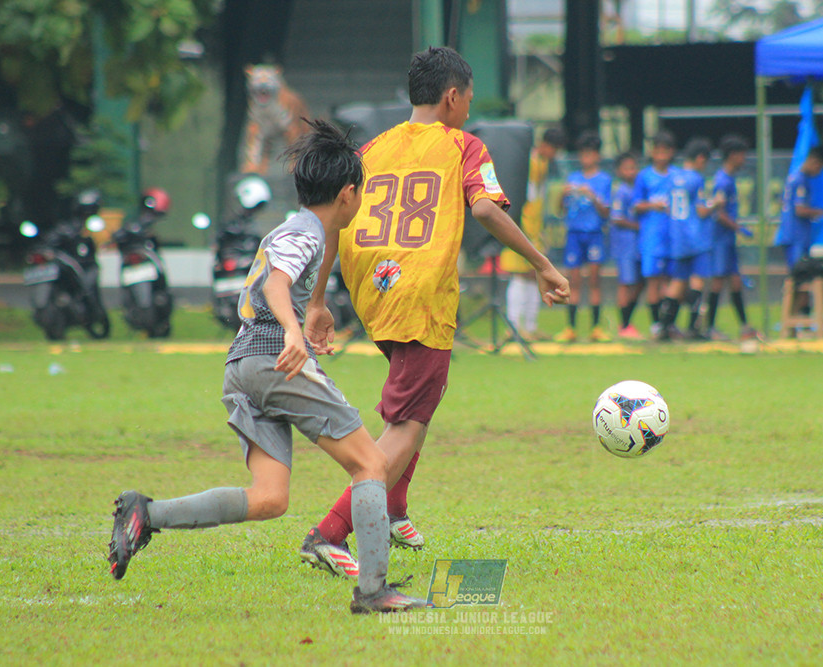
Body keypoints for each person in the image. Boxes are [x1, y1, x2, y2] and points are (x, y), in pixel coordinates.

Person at [106, 120, 429, 614]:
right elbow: (277, 283)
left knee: (269, 498)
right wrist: (294, 331)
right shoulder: (305, 232)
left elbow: (298, 269)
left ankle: (146, 514)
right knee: (371, 464)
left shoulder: (302, 226)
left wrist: (312, 310)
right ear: (347, 194)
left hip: (241, 367)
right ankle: (373, 591)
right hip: (274, 359)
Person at [300, 46, 570, 577]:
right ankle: (328, 534)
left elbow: (332, 222)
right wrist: (541, 263)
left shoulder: (374, 146)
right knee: (407, 421)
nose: (468, 109)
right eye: (467, 99)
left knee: (420, 397)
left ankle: (394, 510)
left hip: (374, 286)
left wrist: (317, 300)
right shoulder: (463, 145)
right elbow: (487, 208)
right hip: (422, 292)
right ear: (452, 96)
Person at [501, 126, 566, 340]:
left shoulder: (542, 164)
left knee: (533, 275)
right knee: (519, 275)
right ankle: (513, 326)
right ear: (546, 145)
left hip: (535, 226)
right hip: (522, 225)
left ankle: (529, 326)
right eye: (554, 149)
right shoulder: (529, 162)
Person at [656, 138, 718, 341]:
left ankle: (664, 326)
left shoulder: (673, 177)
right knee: (698, 280)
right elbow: (701, 211)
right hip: (695, 237)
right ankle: (694, 328)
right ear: (700, 159)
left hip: (677, 237)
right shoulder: (696, 179)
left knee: (678, 282)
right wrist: (715, 203)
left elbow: (667, 206)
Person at [554, 130, 613, 343]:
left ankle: (596, 328)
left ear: (597, 156)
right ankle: (571, 328)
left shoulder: (604, 180)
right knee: (573, 281)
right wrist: (563, 193)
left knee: (595, 280)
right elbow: (561, 208)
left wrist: (592, 196)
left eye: (589, 154)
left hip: (594, 233)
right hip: (574, 234)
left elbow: (606, 211)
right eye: (582, 154)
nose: (585, 158)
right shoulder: (573, 178)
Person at [704, 135, 759, 341]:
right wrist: (738, 228)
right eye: (742, 155)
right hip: (720, 240)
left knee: (735, 281)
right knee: (718, 281)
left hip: (727, 240)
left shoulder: (729, 179)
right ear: (733, 156)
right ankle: (708, 327)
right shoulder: (722, 180)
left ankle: (745, 327)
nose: (744, 159)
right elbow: (718, 213)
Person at [633, 131, 677, 337]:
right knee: (653, 280)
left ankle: (669, 322)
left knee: (672, 280)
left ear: (671, 153)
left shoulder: (677, 176)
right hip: (652, 236)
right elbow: (636, 205)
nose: (660, 155)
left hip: (674, 235)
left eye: (664, 151)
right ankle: (656, 324)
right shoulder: (644, 176)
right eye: (657, 151)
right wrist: (653, 205)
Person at [775, 145, 823, 272]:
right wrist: (822, 212)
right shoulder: (800, 180)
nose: (819, 172)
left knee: (800, 275)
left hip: (793, 233)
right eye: (820, 167)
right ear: (814, 161)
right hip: (796, 235)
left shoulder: (795, 177)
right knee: (799, 275)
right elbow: (799, 210)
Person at [610, 152, 644, 340]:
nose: (632, 171)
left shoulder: (637, 189)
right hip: (625, 243)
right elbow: (616, 218)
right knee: (626, 282)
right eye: (627, 168)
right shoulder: (621, 191)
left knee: (639, 282)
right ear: (619, 171)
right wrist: (638, 226)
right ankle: (623, 325)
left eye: (634, 167)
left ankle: (627, 323)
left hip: (636, 243)